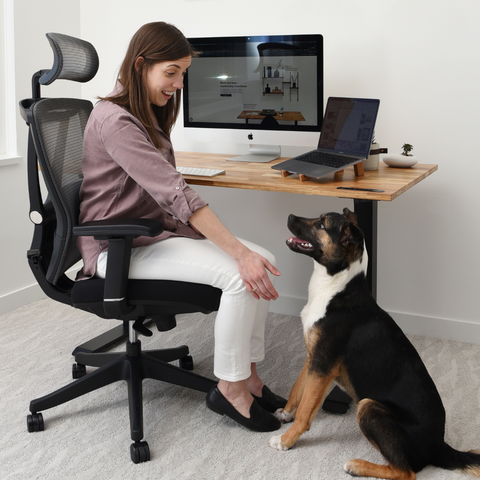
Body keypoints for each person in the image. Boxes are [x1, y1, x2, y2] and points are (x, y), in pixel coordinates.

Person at [76, 21, 286, 432]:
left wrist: (246, 254)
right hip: (116, 250)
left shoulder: (142, 115)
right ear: (141, 65)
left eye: (183, 73)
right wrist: (237, 254)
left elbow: (167, 192)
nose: (179, 83)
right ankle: (230, 389)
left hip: (148, 236)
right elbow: (177, 193)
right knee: (241, 274)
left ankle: (252, 379)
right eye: (171, 72)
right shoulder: (116, 121)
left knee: (265, 259)